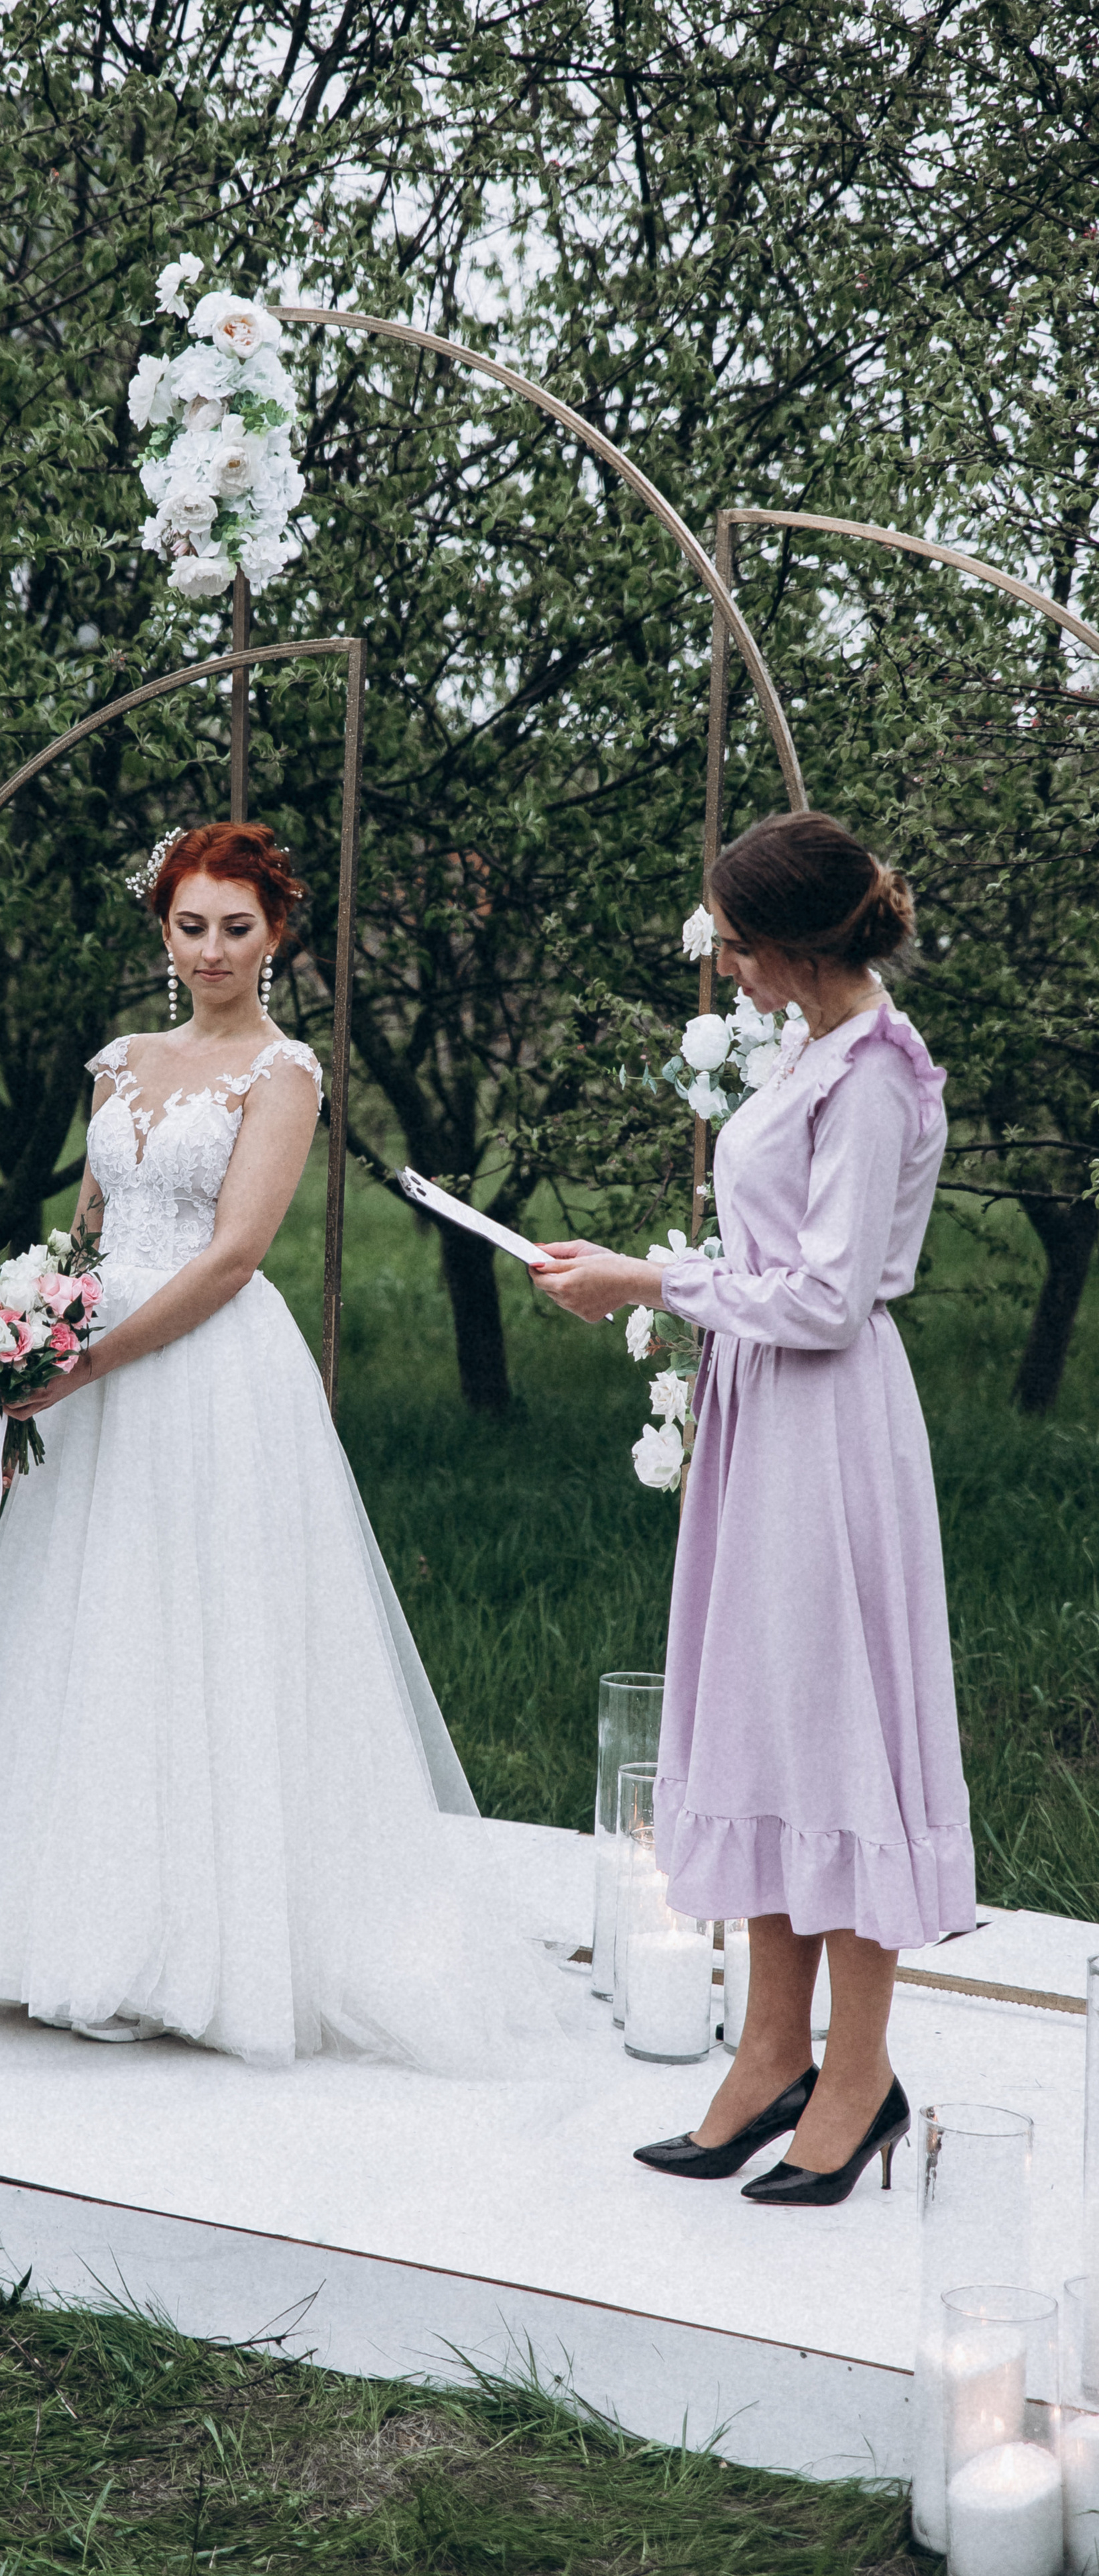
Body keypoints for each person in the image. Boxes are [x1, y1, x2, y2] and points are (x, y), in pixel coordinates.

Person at [0, 820, 570, 2074]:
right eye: (191, 926)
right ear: (164, 930)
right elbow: (88, 1229)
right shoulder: (118, 1063)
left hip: (204, 1371)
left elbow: (234, 1255)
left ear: (277, 935)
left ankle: (216, 1947)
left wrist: (89, 1359)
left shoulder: (284, 1071)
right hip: (90, 1368)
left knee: (210, 1627)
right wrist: (26, 1340)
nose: (212, 951)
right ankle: (71, 1930)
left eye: (237, 928)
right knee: (93, 1626)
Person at [535, 810, 972, 2206]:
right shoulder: (808, 1049)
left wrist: (647, 1282)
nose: (721, 964)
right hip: (764, 1415)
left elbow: (829, 1299)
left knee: (833, 1727)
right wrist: (652, 1276)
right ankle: (774, 2051)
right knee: (770, 1718)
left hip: (828, 1422)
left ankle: (859, 2074)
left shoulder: (875, 1076)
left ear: (793, 944)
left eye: (732, 942)